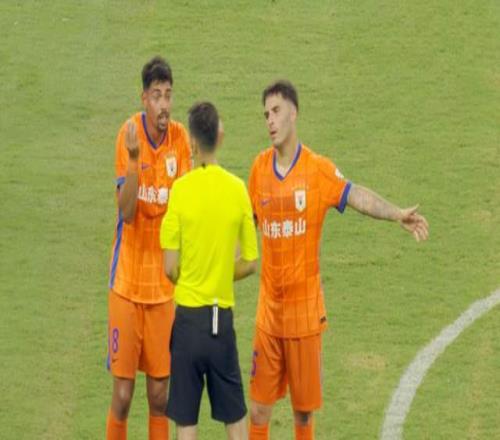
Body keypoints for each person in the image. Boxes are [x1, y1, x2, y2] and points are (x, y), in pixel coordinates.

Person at [247, 80, 429, 440]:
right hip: (268, 317)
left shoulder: (317, 169)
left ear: (294, 113)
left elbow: (355, 195)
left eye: (276, 111)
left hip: (304, 317)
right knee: (258, 410)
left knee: (302, 414)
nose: (270, 120)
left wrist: (396, 214)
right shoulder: (259, 169)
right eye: (266, 114)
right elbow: (243, 222)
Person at [160, 102, 259, 440]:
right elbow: (250, 261)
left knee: (186, 423)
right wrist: (220, 272)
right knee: (236, 421)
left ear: (191, 143)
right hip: (221, 323)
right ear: (220, 136)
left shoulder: (180, 191)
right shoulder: (237, 189)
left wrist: (191, 275)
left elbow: (169, 267)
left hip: (187, 323)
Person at [106, 56, 192, 440]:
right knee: (123, 396)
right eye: (156, 95)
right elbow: (126, 212)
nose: (164, 104)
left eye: (168, 95)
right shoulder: (128, 136)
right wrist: (135, 161)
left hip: (162, 291)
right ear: (144, 99)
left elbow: (185, 209)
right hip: (126, 286)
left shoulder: (180, 140)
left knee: (160, 395)